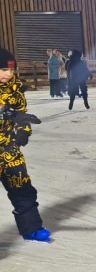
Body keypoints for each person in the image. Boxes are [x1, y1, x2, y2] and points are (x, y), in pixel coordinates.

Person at [0, 48, 51, 242]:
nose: (8, 74)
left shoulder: (16, 90)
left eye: (11, 70)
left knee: (23, 189)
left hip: (9, 150)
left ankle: (31, 228)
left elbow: (21, 113)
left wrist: (23, 131)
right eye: (4, 69)